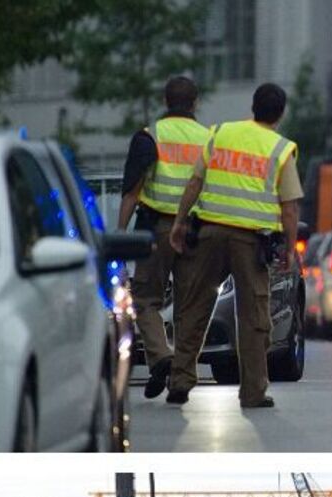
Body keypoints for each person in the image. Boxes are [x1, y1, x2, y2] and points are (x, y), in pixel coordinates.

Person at [166, 82, 303, 409]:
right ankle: (253, 392)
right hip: (250, 242)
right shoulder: (280, 149)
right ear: (280, 113)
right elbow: (290, 207)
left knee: (194, 307)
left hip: (209, 234)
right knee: (254, 316)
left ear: (253, 106)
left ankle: (180, 380)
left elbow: (195, 181)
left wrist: (179, 222)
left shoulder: (220, 134)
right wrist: (290, 248)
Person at [116, 75, 204, 399]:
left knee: (145, 299)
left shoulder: (149, 137)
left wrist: (120, 235)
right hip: (197, 232)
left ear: (165, 102)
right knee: (189, 306)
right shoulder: (209, 139)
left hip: (157, 230)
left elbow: (132, 190)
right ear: (196, 103)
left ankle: (161, 356)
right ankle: (181, 379)